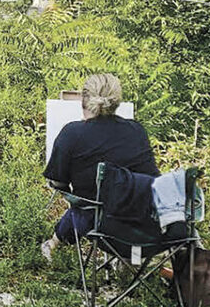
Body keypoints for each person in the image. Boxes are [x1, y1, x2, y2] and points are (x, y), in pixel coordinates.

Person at [40, 73, 159, 260]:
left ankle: (53, 244)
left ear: (83, 100)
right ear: (117, 102)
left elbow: (58, 182)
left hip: (100, 227)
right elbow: (152, 177)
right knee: (93, 204)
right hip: (142, 227)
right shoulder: (136, 130)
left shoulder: (72, 133)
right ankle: (54, 243)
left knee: (84, 204)